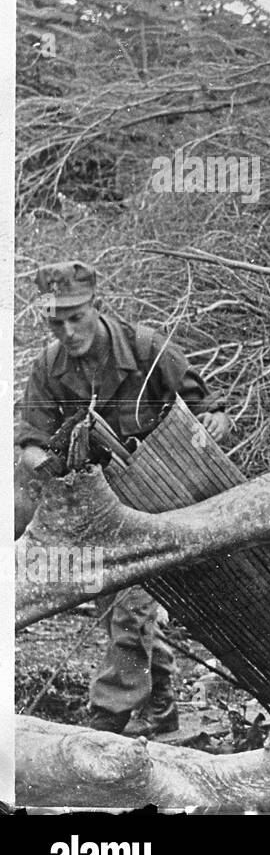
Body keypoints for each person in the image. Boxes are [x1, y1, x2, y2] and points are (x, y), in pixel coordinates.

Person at [15, 261, 233, 735]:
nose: (68, 331)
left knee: (130, 610)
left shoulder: (145, 348)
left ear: (97, 307)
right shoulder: (48, 369)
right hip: (99, 508)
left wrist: (211, 424)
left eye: (77, 317)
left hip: (165, 500)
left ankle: (106, 719)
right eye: (56, 322)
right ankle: (164, 713)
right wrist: (45, 460)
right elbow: (30, 439)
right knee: (124, 609)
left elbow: (210, 409)